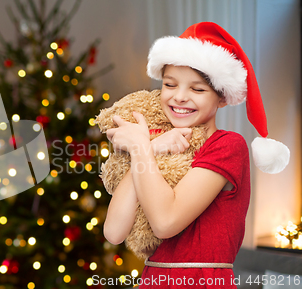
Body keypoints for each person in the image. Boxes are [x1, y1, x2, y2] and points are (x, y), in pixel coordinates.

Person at [103, 22, 290, 288]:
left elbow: (165, 223)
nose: (179, 97)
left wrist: (141, 148)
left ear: (222, 97)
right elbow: (113, 232)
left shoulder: (227, 146)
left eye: (198, 89)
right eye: (170, 84)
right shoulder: (156, 147)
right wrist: (151, 148)